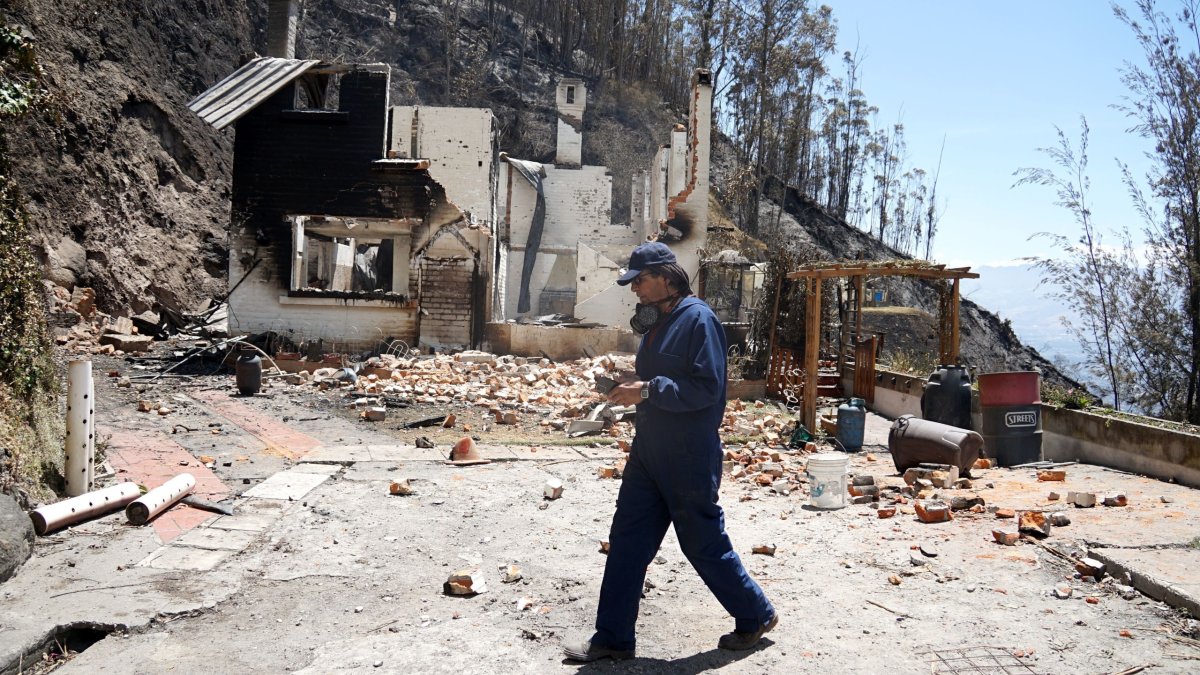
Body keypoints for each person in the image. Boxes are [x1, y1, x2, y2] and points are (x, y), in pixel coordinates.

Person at [563, 241, 777, 663]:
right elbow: (658, 377)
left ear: (665, 276)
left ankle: (755, 614)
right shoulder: (659, 320)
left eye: (640, 280)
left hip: (688, 454)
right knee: (627, 542)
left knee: (702, 544)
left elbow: (707, 389)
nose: (635, 289)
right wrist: (630, 380)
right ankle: (613, 638)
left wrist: (645, 389)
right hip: (649, 451)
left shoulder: (699, 320)